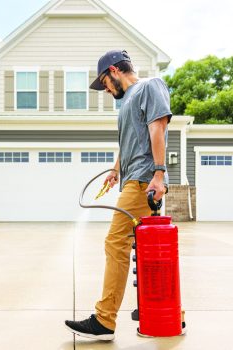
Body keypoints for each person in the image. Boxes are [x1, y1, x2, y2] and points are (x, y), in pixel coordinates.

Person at [64, 50, 185, 341]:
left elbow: (158, 127)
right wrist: (117, 169)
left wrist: (158, 173)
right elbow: (132, 139)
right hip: (133, 178)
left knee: (115, 243)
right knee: (146, 250)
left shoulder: (149, 86)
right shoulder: (127, 103)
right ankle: (168, 314)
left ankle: (105, 320)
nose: (105, 89)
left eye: (104, 81)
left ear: (115, 70)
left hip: (143, 181)